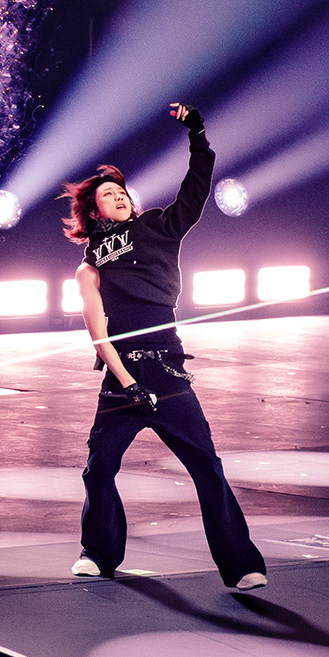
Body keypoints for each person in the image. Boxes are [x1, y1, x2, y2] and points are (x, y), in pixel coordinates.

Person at [60, 103, 267, 591]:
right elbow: (98, 335)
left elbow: (195, 189)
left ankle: (242, 565)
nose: (118, 197)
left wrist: (197, 132)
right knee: (98, 470)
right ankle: (98, 554)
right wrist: (128, 384)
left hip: (169, 372)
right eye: (108, 195)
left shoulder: (158, 226)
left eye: (121, 191)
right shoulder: (89, 267)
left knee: (207, 467)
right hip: (122, 378)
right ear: (94, 211)